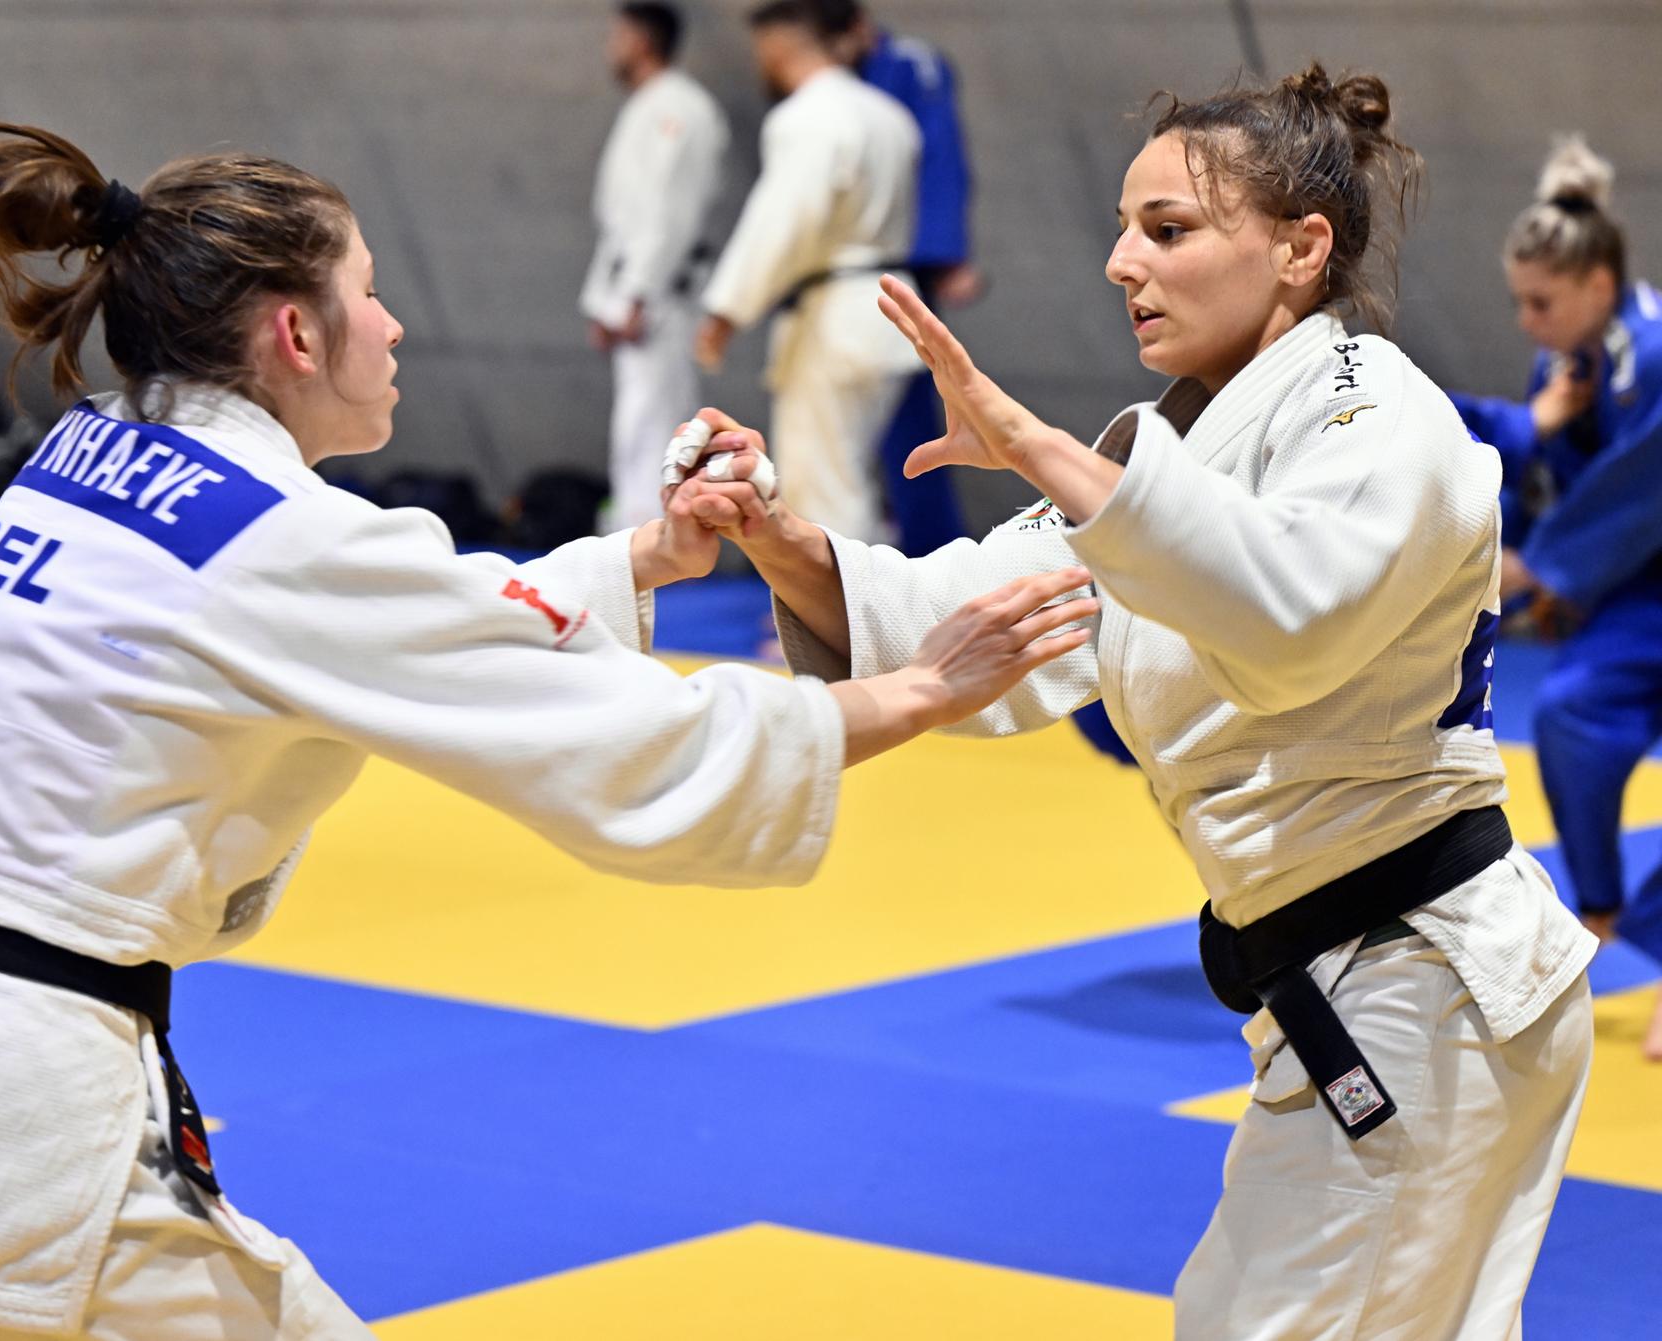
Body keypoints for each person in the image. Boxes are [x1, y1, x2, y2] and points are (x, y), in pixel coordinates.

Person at [0, 123, 1096, 1339]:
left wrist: (644, 557)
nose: (390, 326)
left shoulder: (93, 455)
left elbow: (413, 617)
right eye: (368, 294)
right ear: (293, 334)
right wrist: (914, 689)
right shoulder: (286, 539)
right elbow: (617, 735)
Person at [670, 65, 1596, 1338]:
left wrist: (1034, 442)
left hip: (1424, 987)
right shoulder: (1171, 451)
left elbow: (1291, 619)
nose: (1121, 263)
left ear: (1298, 248)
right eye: (1123, 228)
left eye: (1167, 231)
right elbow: (979, 624)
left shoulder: (1380, 415)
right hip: (1353, 989)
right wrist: (775, 537)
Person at [1448, 137, 1662, 1059]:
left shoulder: (1654, 356)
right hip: (1632, 596)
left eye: (1544, 302)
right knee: (1570, 715)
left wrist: (1531, 573)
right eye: (1519, 302)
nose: (1530, 322)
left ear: (1601, 284)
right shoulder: (1562, 368)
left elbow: (1635, 491)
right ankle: (1603, 907)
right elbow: (1535, 476)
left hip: (1621, 566)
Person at [695, 0, 922, 545]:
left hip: (837, 313)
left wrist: (726, 310)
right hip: (885, 305)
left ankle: (836, 624)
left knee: (821, 478)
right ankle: (857, 616)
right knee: (849, 471)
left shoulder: (808, 116)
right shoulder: (890, 115)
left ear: (779, 45)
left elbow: (784, 222)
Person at [817, 0, 973, 555]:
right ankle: (879, 554)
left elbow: (940, 160)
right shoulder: (836, 82)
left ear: (858, 28)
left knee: (913, 426)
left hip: (904, 266)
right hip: (846, 274)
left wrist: (947, 254)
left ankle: (933, 553)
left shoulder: (912, 65)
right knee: (856, 434)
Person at [580, 2, 729, 530]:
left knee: (656, 421)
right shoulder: (649, 105)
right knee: (638, 421)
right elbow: (627, 222)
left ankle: (654, 538)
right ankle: (641, 534)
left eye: (617, 35)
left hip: (662, 293)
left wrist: (637, 293)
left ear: (642, 40)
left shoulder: (679, 108)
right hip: (638, 285)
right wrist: (608, 297)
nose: (610, 47)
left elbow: (670, 212)